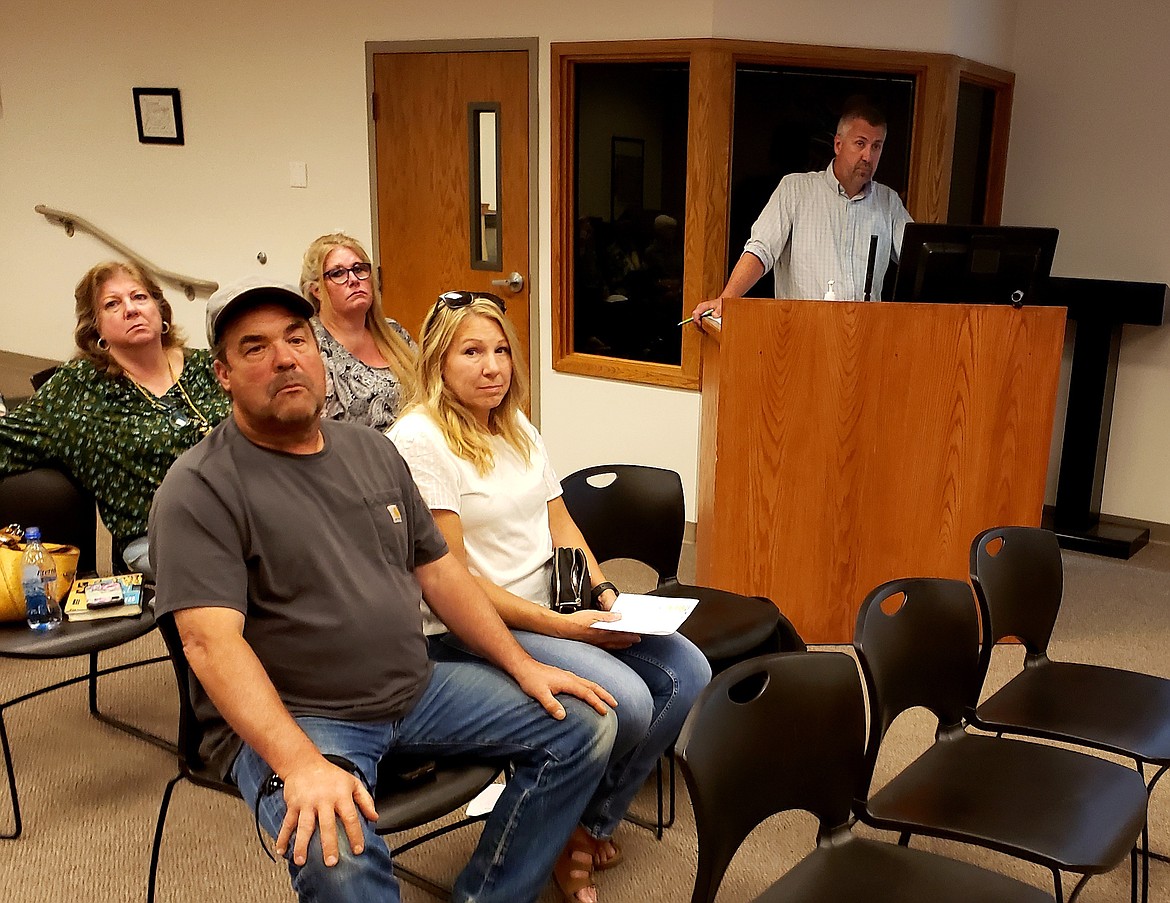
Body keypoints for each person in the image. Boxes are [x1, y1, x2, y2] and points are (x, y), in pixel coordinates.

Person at [148, 276, 617, 903]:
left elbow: (441, 572)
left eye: (297, 338)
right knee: (335, 855)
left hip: (415, 687)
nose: (285, 357)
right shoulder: (199, 487)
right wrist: (299, 764)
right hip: (305, 719)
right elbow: (209, 644)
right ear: (223, 373)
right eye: (255, 347)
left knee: (582, 725)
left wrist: (522, 664)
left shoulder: (372, 450)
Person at [387, 291, 711, 903]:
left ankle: (583, 828)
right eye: (472, 352)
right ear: (437, 361)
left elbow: (561, 525)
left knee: (688, 668)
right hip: (476, 623)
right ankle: (571, 832)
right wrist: (568, 629)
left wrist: (607, 593)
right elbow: (453, 576)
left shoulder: (514, 424)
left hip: (553, 604)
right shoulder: (420, 439)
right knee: (632, 702)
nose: (493, 366)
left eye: (502, 350)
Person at [0, 260, 230, 573]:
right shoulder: (78, 388)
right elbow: (7, 440)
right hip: (157, 538)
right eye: (112, 304)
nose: (131, 309)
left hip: (241, 517)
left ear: (159, 310)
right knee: (239, 568)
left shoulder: (209, 367)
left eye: (139, 297)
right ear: (97, 329)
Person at [690, 103, 913, 320]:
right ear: (838, 145)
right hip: (801, 337)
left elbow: (919, 260)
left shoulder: (888, 202)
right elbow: (761, 250)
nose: (868, 156)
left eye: (876, 146)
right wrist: (727, 299)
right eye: (860, 143)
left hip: (864, 341)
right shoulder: (795, 190)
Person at [299, 232, 417, 431]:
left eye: (359, 269)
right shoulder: (311, 345)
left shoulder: (394, 332)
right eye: (337, 273)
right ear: (316, 290)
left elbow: (431, 390)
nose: (353, 280)